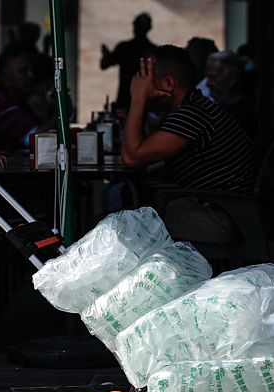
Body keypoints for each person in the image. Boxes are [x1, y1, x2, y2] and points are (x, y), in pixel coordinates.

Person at [121, 45, 255, 244]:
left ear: (168, 83)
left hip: (222, 218)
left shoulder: (192, 114)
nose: (140, 87)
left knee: (121, 226)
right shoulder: (191, 108)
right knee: (127, 217)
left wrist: (138, 98)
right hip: (216, 210)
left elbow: (132, 157)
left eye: (145, 81)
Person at [0, 45, 56, 157]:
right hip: (0, 170)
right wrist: (59, 114)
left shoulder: (20, 101)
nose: (30, 75)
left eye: (30, 70)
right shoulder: (0, 105)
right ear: (5, 79)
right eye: (23, 71)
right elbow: (35, 141)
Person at [100, 13, 158, 109]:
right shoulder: (153, 51)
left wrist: (106, 55)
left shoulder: (124, 48)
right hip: (145, 102)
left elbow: (105, 64)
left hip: (125, 100)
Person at [205, 51, 260, 137]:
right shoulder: (217, 112)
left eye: (213, 77)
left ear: (232, 78)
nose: (208, 83)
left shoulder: (240, 118)